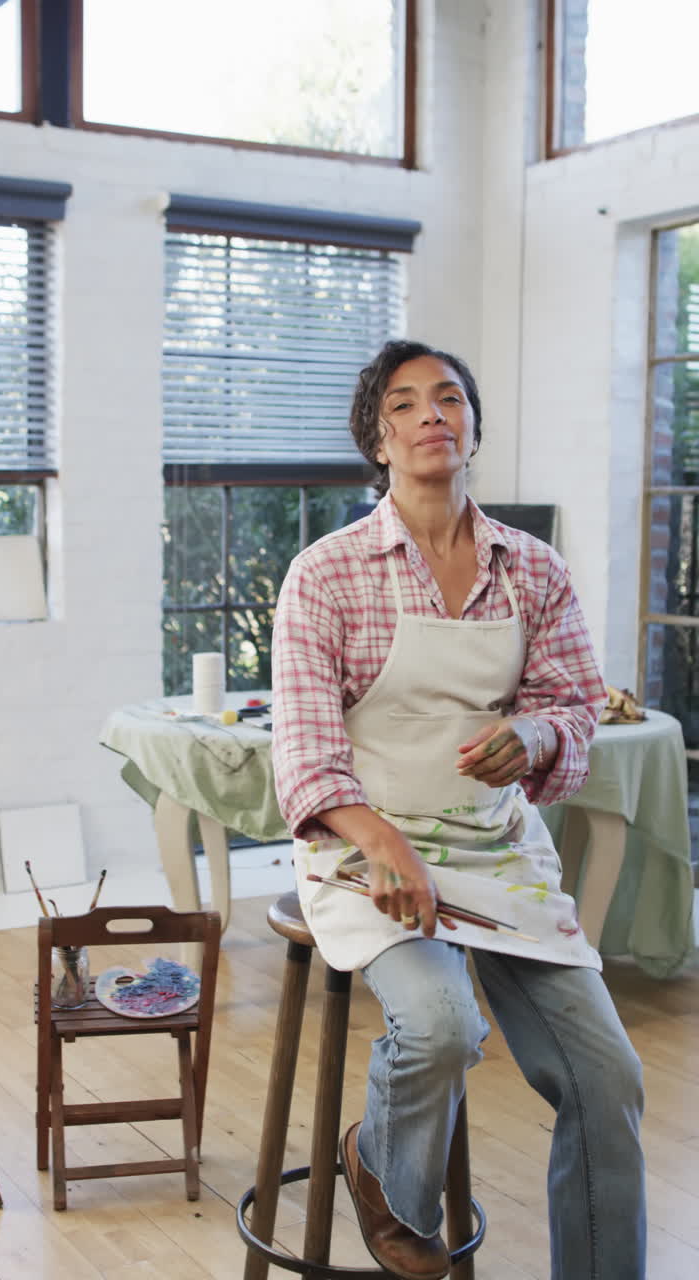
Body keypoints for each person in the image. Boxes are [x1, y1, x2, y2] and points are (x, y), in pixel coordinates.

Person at [271, 339, 646, 1280]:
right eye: (405, 404)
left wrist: (540, 735)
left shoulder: (533, 569)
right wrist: (380, 838)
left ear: (472, 425)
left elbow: (572, 702)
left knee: (609, 1080)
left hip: (495, 848)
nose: (431, 414)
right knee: (443, 1027)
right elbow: (306, 761)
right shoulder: (327, 573)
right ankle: (384, 1174)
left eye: (449, 398)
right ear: (379, 438)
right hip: (368, 849)